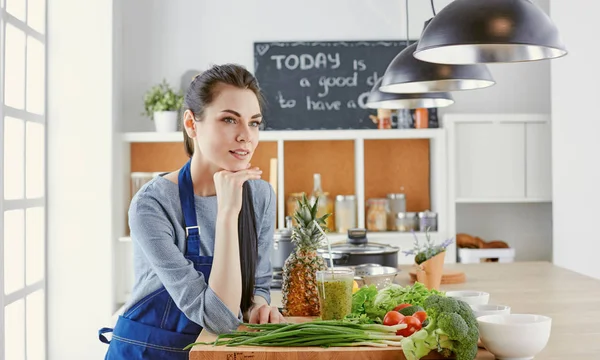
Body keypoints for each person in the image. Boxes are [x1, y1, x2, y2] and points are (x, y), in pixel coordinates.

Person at [99, 64, 283, 359]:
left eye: (255, 123)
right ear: (191, 124)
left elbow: (257, 284)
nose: (246, 136)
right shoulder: (152, 204)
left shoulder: (260, 195)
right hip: (148, 352)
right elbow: (220, 320)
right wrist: (226, 213)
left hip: (213, 353)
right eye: (229, 120)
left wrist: (257, 305)